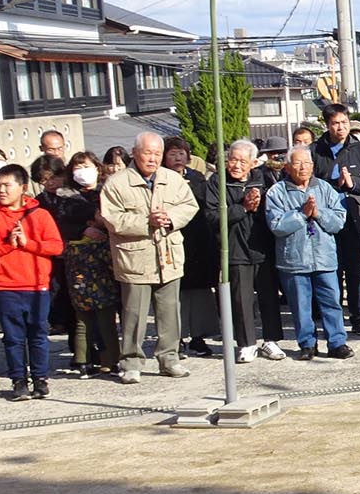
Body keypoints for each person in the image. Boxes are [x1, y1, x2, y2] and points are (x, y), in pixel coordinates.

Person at [99, 131, 198, 383]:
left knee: (169, 312)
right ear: (135, 153)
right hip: (135, 258)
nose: (152, 159)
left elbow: (189, 205)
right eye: (147, 153)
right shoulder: (117, 183)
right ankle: (131, 361)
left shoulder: (171, 179)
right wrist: (147, 222)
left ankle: (169, 358)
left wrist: (171, 219)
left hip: (168, 255)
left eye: (157, 153)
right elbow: (112, 219)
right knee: (134, 313)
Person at [0, 163, 65, 401]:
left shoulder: (40, 215)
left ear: (22, 187)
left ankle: (41, 378)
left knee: (38, 334)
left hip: (36, 286)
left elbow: (56, 246)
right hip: (5, 286)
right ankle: (18, 380)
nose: (1, 190)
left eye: (7, 185)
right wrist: (7, 245)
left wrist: (28, 244)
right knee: (13, 338)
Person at [267, 145, 353, 360]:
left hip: (324, 257)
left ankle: (337, 342)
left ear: (313, 166)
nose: (303, 167)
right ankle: (307, 344)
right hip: (294, 259)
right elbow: (276, 225)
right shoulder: (277, 192)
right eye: (297, 163)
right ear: (287, 167)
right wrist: (302, 215)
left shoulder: (325, 188)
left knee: (332, 302)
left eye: (307, 163)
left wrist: (318, 213)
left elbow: (338, 222)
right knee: (300, 305)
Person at [310, 104, 360, 337]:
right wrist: (330, 184)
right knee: (330, 271)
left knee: (355, 272)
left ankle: (359, 318)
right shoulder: (315, 151)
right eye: (335, 123)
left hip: (353, 218)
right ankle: (334, 319)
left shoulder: (359, 150)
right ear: (327, 125)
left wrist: (353, 185)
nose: (340, 128)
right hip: (325, 220)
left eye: (344, 123)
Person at [55, 152, 121, 379]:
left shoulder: (108, 191)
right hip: (79, 261)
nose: (81, 171)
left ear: (97, 168)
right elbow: (60, 225)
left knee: (106, 314)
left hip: (105, 259)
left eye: (86, 166)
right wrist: (85, 228)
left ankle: (110, 360)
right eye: (77, 167)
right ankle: (83, 360)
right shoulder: (65, 197)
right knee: (82, 314)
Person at [221, 140, 282, 363]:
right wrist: (243, 208)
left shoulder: (264, 179)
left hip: (262, 245)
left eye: (242, 161)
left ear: (254, 162)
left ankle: (271, 340)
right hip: (235, 248)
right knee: (241, 299)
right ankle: (246, 343)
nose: (236, 165)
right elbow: (212, 216)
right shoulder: (218, 183)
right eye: (232, 160)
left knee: (269, 295)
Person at [164, 137, 222, 358]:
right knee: (174, 294)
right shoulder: (160, 179)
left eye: (181, 153)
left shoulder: (197, 177)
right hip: (172, 239)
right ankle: (175, 339)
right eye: (172, 153)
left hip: (199, 240)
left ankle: (198, 337)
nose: (178, 157)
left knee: (200, 293)